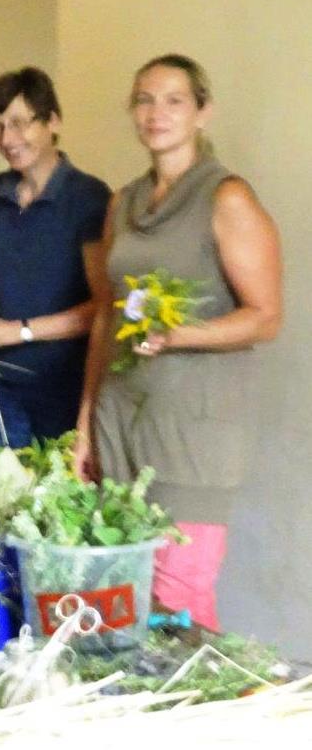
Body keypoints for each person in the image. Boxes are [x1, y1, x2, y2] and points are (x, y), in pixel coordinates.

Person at [75, 55, 282, 630]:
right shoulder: (123, 201)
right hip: (121, 414)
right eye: (144, 100)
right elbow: (106, 315)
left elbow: (266, 317)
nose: (156, 113)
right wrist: (86, 420)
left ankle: (203, 688)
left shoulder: (226, 197)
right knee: (119, 587)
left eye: (173, 100)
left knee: (177, 596)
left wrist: (180, 335)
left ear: (202, 111)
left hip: (195, 426)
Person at [0, 67, 111, 447]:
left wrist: (17, 331)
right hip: (0, 382)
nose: (7, 139)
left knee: (54, 485)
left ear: (52, 121)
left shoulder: (88, 197)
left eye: (19, 124)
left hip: (65, 384)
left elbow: (103, 306)